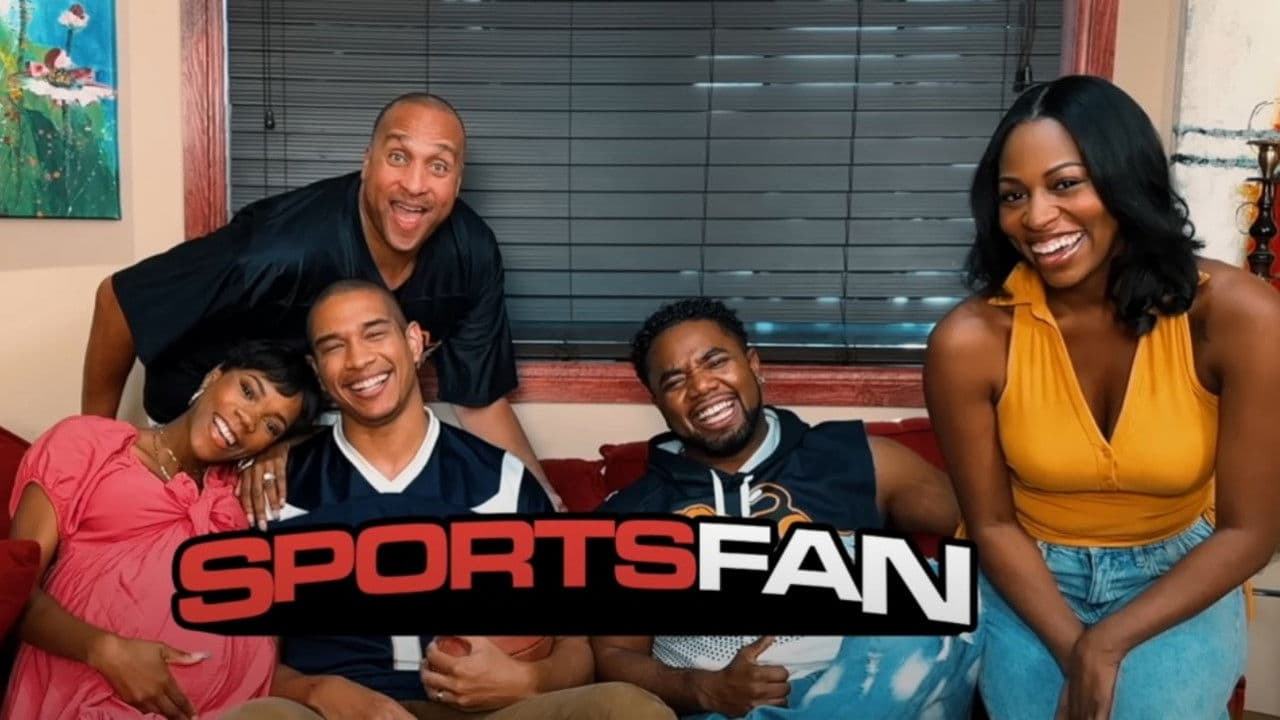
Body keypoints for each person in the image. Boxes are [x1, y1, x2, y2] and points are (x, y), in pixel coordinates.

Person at [923, 75, 1280, 720]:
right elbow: (992, 524)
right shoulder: (969, 341)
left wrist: (1105, 645)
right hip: (1028, 576)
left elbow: (1250, 531)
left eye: (1065, 184)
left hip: (1180, 573)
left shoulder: (1239, 316)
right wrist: (1076, 649)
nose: (1036, 217)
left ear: (1125, 182)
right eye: (1013, 195)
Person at [81, 92, 561, 521]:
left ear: (457, 182)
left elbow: (479, 400)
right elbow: (119, 299)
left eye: (438, 166)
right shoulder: (277, 248)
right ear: (366, 162)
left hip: (316, 420)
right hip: (213, 418)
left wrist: (550, 505)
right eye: (398, 157)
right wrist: (96, 450)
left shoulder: (471, 253)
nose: (416, 184)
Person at [259, 279, 674, 720]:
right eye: (334, 346)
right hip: (331, 714)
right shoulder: (276, 488)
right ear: (317, 370)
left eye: (375, 333)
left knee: (627, 709)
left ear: (414, 342)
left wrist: (526, 681)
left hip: (484, 713)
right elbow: (241, 659)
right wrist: (318, 690)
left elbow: (575, 650)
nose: (359, 359)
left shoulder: (502, 482)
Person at [591, 297, 980, 720]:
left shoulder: (861, 460)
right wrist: (704, 690)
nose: (701, 386)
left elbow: (992, 533)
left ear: (753, 364)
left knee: (941, 597)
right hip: (725, 708)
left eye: (716, 362)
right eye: (674, 381)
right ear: (658, 402)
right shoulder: (630, 516)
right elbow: (613, 653)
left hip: (870, 679)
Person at [3, 340, 324, 720]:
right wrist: (106, 651)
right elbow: (12, 588)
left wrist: (282, 450)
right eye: (248, 390)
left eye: (271, 425)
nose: (247, 420)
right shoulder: (89, 443)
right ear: (214, 376)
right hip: (88, 700)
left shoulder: (244, 499)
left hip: (232, 708)